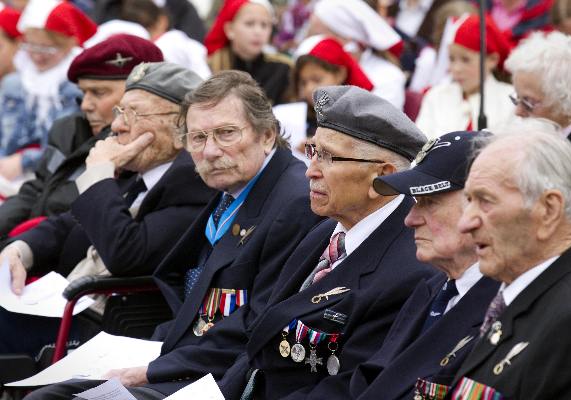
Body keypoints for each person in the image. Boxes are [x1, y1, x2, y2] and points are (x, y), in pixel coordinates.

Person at [24, 70, 322, 400]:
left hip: (227, 378)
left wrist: (154, 369)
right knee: (50, 394)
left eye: (226, 134)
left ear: (266, 135)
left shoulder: (292, 202)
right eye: (198, 138)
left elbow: (256, 328)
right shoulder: (231, 187)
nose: (209, 151)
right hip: (182, 354)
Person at [217, 85, 436, 399]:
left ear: (383, 178)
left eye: (328, 157)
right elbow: (260, 345)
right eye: (312, 152)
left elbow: (346, 387)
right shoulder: (326, 231)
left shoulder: (409, 269)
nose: (310, 171)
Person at [0, 62, 215, 360]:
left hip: (111, 327)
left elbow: (127, 255)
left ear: (181, 125)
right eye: (119, 112)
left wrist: (100, 175)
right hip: (68, 309)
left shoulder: (196, 181)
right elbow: (65, 225)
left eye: (133, 114)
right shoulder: (135, 173)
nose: (116, 126)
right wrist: (19, 252)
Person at [329, 131, 500, 400]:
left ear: (482, 205)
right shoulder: (434, 288)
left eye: (429, 202)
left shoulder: (503, 305)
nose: (410, 219)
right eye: (415, 202)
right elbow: (372, 378)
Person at [449, 128, 571, 398]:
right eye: (468, 200)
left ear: (548, 209)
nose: (465, 223)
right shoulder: (529, 295)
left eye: (485, 201)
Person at [0, 34, 164, 241]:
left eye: (98, 92)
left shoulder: (140, 147)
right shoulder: (68, 129)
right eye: (83, 92)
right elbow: (37, 189)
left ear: (137, 96)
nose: (85, 104)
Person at [0, 0, 97, 181]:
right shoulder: (14, 82)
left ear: (68, 44)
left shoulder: (76, 87)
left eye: (47, 48)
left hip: (53, 177)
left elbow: (67, 146)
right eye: (32, 46)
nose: (37, 55)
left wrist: (24, 161)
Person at [505, 31, 571, 163]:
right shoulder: (534, 144)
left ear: (567, 104)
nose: (518, 111)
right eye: (516, 99)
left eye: (528, 102)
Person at [416, 14, 515, 138]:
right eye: (451, 59)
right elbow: (420, 145)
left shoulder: (510, 101)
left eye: (466, 60)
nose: (456, 69)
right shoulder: (436, 96)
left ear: (492, 60)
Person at [307, 0, 407, 110]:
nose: (314, 43)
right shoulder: (311, 65)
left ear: (346, 38)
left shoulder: (387, 78)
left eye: (319, 36)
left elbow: (380, 124)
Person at [204, 0, 293, 105]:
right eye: (249, 24)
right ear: (230, 29)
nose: (258, 32)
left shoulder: (282, 69)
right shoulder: (211, 66)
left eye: (264, 25)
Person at [294, 35, 374, 138]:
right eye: (304, 82)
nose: (309, 88)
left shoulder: (357, 119)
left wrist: (310, 148)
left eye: (317, 79)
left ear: (340, 74)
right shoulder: (303, 116)